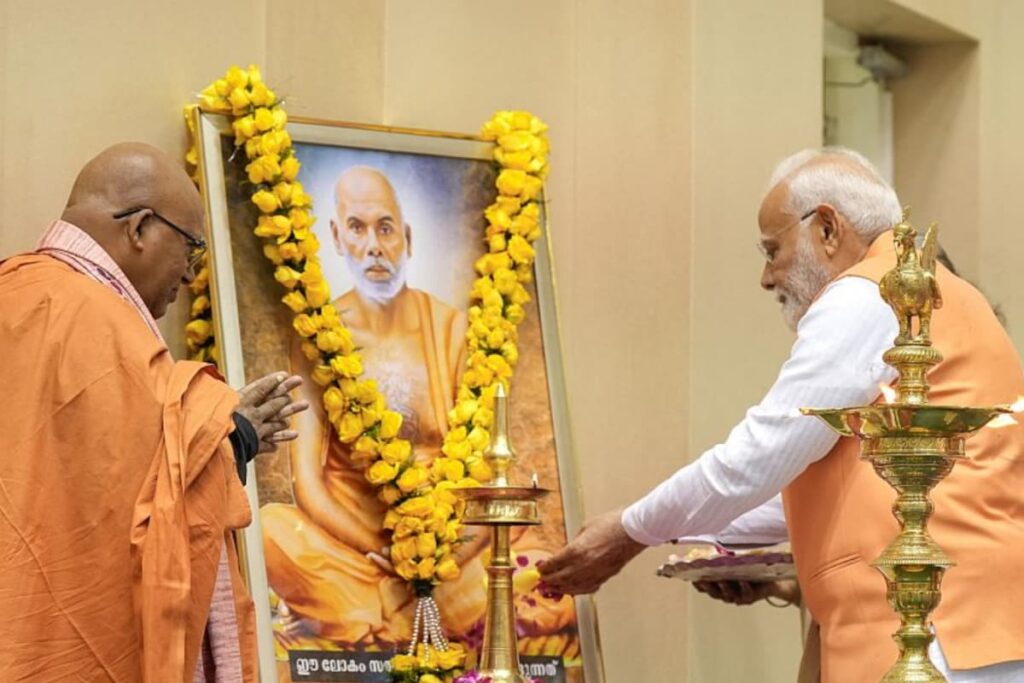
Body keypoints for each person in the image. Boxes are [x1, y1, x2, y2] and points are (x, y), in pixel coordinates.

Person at [539, 148, 1024, 681]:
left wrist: (629, 531)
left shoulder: (870, 292)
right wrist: (674, 534)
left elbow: (762, 455)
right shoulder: (937, 289)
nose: (767, 278)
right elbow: (827, 484)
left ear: (827, 228)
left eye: (773, 249)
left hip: (933, 633)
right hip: (972, 627)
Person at [0, 142, 308, 681]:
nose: (190, 276)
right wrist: (234, 436)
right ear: (141, 228)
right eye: (191, 251)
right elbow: (153, 495)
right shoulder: (99, 323)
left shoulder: (15, 288)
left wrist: (221, 429)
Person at [261, 166, 573, 647]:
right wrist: (389, 551)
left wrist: (441, 549)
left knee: (539, 567)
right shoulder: (317, 336)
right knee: (269, 530)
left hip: (453, 545)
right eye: (358, 228)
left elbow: (483, 470)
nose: (374, 246)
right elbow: (308, 486)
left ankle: (383, 619)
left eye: (385, 227)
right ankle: (438, 615)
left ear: (406, 237)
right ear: (337, 237)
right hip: (356, 549)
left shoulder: (449, 328)